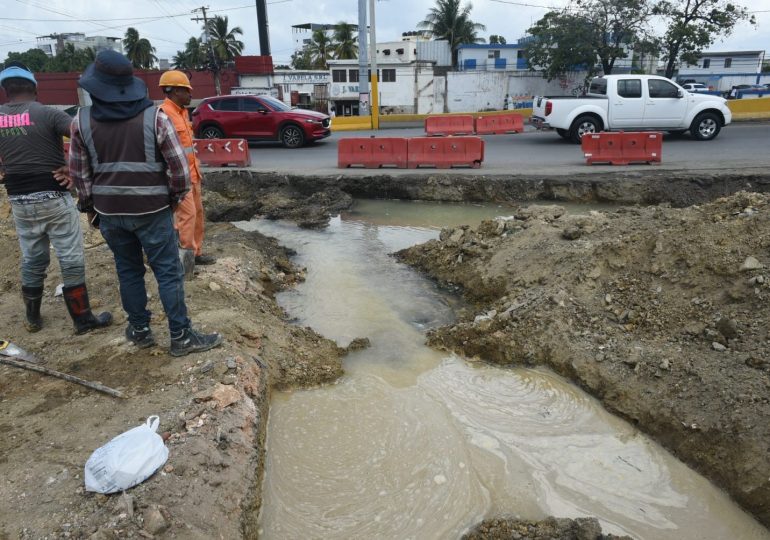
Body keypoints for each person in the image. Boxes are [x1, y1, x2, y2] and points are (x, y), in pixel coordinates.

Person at [69, 50, 222, 357]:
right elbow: (178, 170)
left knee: (128, 272)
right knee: (167, 273)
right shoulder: (156, 118)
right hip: (152, 211)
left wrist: (90, 209)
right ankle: (180, 336)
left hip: (110, 213)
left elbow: (80, 177)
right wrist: (172, 200)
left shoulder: (80, 122)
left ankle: (140, 330)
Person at [0, 61, 112, 334]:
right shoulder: (48, 114)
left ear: (6, 89)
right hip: (52, 196)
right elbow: (87, 136)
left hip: (19, 200)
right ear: (34, 87)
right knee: (70, 255)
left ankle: (33, 318)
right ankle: (83, 320)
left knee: (32, 256)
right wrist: (72, 169)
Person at [158, 70, 215, 279]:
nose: (190, 95)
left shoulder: (183, 113)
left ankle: (196, 252)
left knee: (198, 214)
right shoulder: (164, 114)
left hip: (193, 174)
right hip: (178, 178)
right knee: (186, 217)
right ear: (172, 91)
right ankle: (183, 262)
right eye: (186, 91)